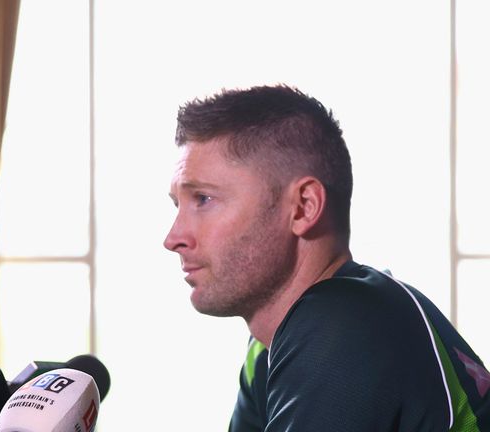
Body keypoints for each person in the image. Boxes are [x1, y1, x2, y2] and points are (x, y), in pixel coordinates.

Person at [163, 84, 490, 431]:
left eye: (203, 199)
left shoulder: (346, 322)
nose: (173, 238)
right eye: (176, 205)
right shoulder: (265, 351)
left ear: (304, 207)